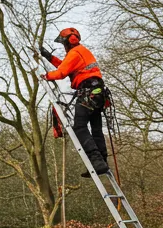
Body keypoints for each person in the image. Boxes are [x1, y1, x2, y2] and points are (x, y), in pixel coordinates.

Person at [38, 27, 110, 178]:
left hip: (87, 92)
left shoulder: (74, 53)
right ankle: (102, 161)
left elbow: (61, 73)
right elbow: (65, 66)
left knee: (79, 126)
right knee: (96, 127)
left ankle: (96, 160)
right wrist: (48, 56)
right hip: (98, 92)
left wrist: (45, 76)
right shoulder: (81, 52)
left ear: (67, 42)